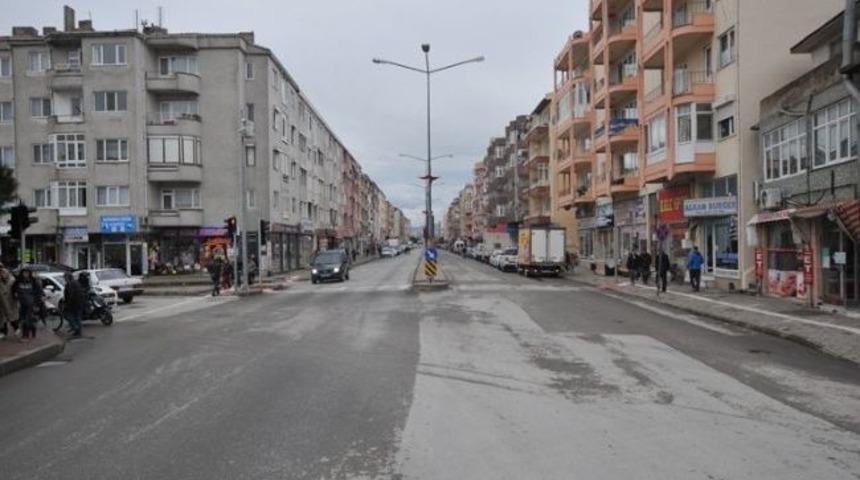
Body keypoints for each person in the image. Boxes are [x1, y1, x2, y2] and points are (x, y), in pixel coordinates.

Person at [12, 269, 42, 341]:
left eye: (27, 273)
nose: (25, 274)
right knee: (23, 319)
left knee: (26, 319)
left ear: (29, 273)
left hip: (30, 304)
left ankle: (25, 335)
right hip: (21, 304)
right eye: (24, 273)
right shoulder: (18, 281)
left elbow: (38, 293)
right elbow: (13, 290)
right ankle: (33, 329)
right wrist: (15, 296)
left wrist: (36, 304)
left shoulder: (33, 281)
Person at [62, 272, 85, 337]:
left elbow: (70, 295)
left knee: (67, 315)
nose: (64, 279)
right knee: (77, 317)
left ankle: (75, 327)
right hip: (79, 303)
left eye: (65, 278)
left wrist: (67, 304)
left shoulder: (70, 284)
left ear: (67, 278)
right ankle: (78, 331)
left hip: (73, 303)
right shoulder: (76, 283)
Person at [0, 267, 18, 338]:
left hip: (11, 302)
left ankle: (16, 328)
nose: (2, 274)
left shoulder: (12, 280)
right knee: (2, 318)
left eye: (3, 272)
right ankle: (3, 331)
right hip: (1, 302)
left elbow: (16, 289)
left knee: (11, 317)